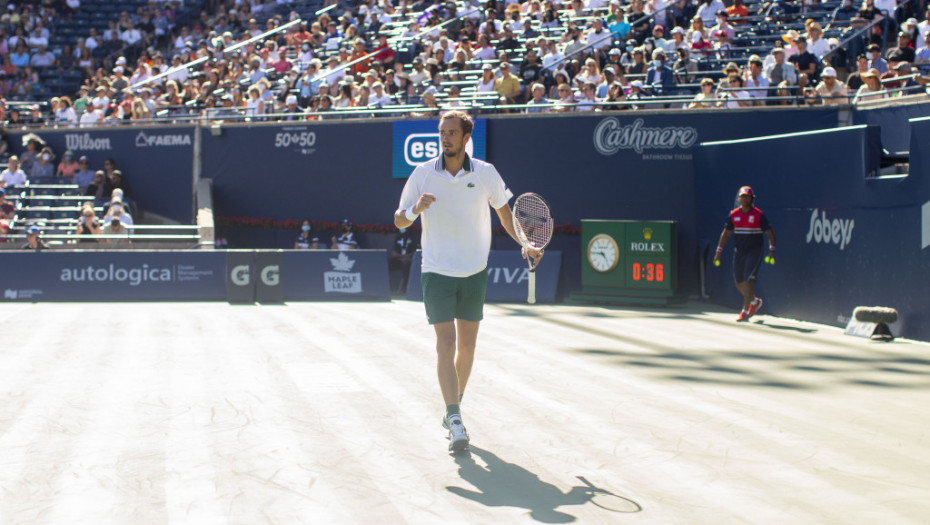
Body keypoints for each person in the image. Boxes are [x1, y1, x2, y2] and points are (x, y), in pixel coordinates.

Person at [393, 110, 543, 452]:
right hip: (436, 270)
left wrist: (525, 243)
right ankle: (456, 418)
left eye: (451, 132)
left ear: (465, 137)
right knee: (445, 343)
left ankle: (453, 405)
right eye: (441, 132)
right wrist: (415, 209)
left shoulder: (486, 173)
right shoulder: (421, 174)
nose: (445, 137)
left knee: (468, 347)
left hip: (474, 270)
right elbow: (399, 220)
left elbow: (506, 214)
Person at [712, 186, 776, 322]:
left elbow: (770, 233)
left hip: (755, 251)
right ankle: (754, 302)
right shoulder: (733, 215)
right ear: (739, 199)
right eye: (742, 196)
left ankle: (745, 312)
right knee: (739, 283)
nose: (744, 199)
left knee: (748, 282)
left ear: (752, 198)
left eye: (747, 196)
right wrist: (718, 252)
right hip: (739, 252)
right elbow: (726, 234)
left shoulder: (759, 215)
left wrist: (772, 250)